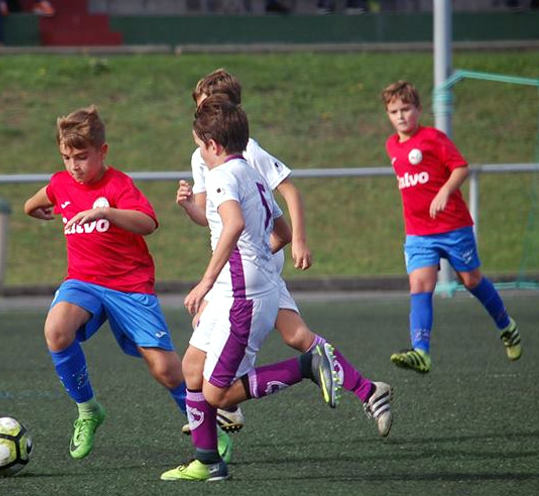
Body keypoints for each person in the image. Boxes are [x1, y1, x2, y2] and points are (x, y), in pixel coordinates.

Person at [178, 68, 394, 438]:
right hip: (238, 262)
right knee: (294, 336)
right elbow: (211, 216)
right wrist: (188, 207)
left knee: (247, 343)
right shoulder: (203, 155)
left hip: (250, 264)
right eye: (202, 109)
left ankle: (226, 407)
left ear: (232, 113)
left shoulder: (247, 152)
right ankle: (368, 389)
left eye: (213, 109)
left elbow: (287, 194)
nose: (205, 119)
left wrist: (297, 241)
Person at [23, 105, 232, 461]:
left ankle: (205, 430)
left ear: (101, 152)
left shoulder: (118, 184)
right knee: (56, 329)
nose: (74, 166)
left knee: (166, 370)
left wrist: (106, 212)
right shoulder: (62, 183)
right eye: (66, 157)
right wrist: (34, 209)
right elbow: (35, 201)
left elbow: (148, 222)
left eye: (82, 157)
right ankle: (88, 410)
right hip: (83, 282)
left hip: (129, 286)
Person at [161, 95, 341, 482]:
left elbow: (233, 224)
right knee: (192, 369)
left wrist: (207, 281)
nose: (200, 155)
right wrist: (255, 261)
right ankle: (207, 461)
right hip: (239, 290)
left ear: (213, 145)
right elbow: (283, 231)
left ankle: (307, 365)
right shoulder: (252, 172)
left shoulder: (223, 175)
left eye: (199, 146)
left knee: (218, 395)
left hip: (240, 298)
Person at [381, 80, 523, 373]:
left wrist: (444, 192)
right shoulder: (391, 145)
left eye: (406, 109)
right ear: (388, 114)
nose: (401, 116)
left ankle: (506, 325)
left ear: (419, 110)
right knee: (419, 285)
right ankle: (421, 351)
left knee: (471, 280)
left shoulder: (433, 138)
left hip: (453, 227)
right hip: (418, 232)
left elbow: (461, 167)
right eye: (394, 111)